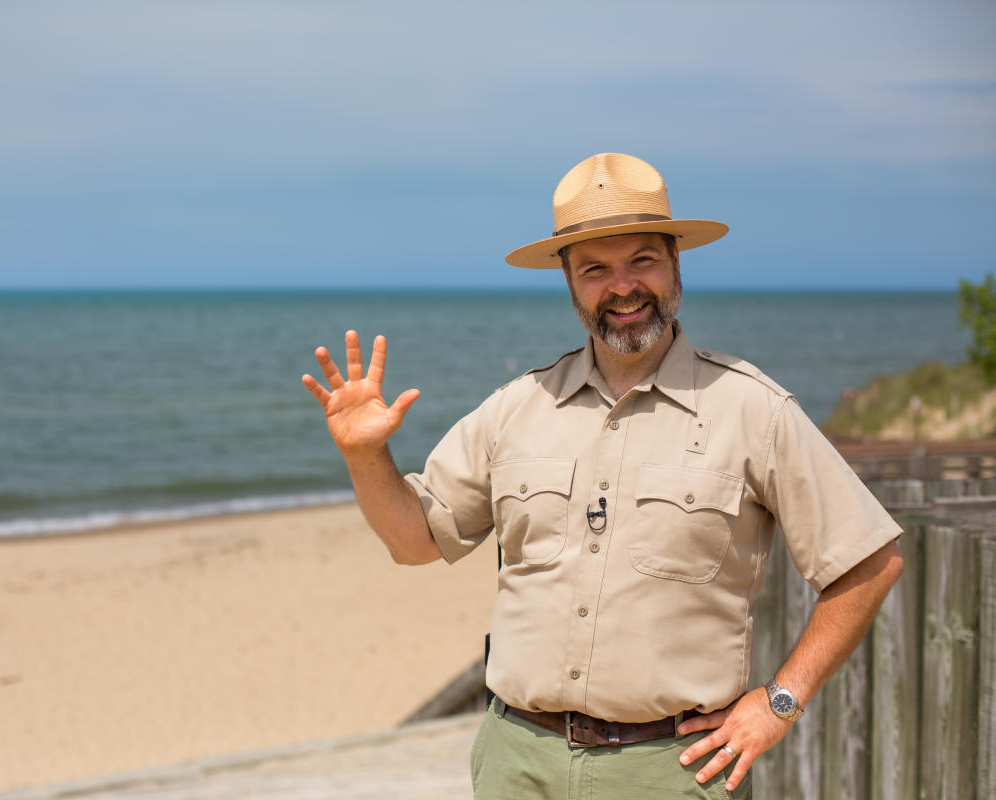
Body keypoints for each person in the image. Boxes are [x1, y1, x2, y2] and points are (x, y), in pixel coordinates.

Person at [301, 152, 904, 799]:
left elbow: (868, 559)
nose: (621, 286)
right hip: (516, 762)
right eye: (595, 268)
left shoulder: (753, 409)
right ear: (567, 278)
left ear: (676, 262)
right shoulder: (517, 407)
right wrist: (366, 456)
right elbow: (413, 541)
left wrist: (781, 701)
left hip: (671, 772)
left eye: (642, 259)